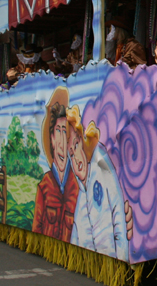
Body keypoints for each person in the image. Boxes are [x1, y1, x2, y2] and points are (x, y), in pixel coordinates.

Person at [66, 105, 132, 260]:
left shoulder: (102, 169)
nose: (75, 157)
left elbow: (119, 224)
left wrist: (122, 261)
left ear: (83, 142)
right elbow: (75, 236)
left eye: (77, 145)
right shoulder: (81, 196)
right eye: (71, 154)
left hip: (113, 262)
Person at [32, 87, 79, 242]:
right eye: (58, 131)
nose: (61, 139)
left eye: (64, 131)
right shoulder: (45, 186)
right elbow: (37, 228)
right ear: (52, 138)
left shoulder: (76, 186)